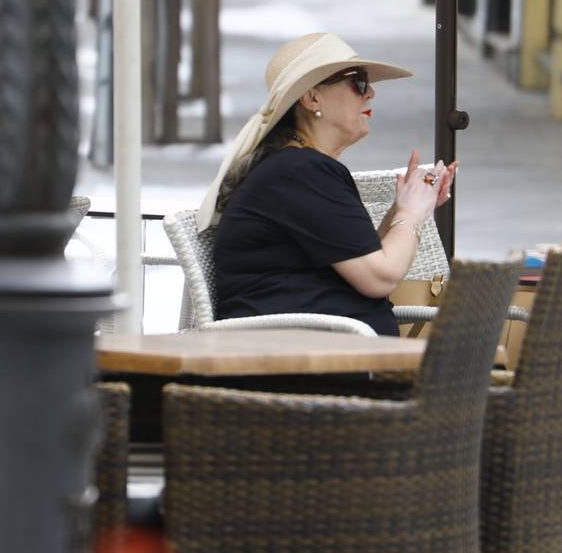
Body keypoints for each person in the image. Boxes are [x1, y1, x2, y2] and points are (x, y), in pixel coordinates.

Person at [195, 32, 457, 336]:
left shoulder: (297, 169)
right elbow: (379, 278)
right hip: (305, 363)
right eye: (357, 81)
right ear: (312, 97)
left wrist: (405, 207)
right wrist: (412, 212)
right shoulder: (298, 172)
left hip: (327, 351)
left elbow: (357, 259)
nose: (370, 92)